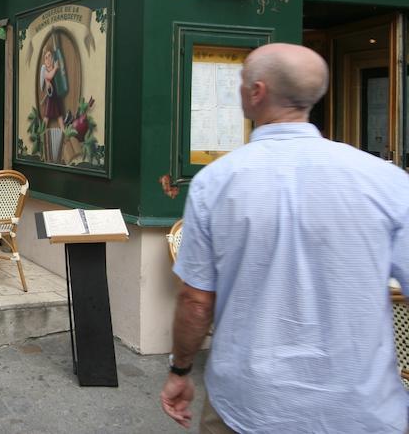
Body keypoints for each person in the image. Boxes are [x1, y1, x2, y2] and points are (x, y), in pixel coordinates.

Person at [160, 43, 409, 434]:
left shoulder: (216, 182)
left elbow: (196, 301)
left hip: (251, 405)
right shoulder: (387, 180)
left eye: (241, 82)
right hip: (362, 406)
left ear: (257, 92)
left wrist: (180, 369)